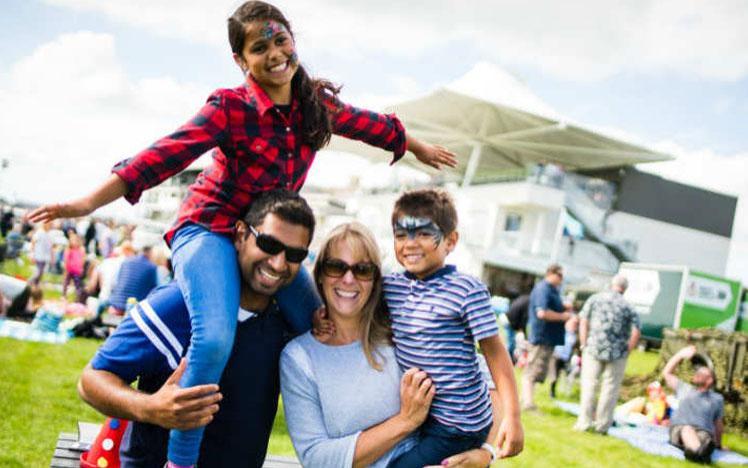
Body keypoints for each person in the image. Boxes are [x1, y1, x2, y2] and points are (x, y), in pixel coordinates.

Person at [27, 2, 456, 466]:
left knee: (321, 318)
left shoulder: (315, 104)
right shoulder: (230, 107)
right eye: (259, 47)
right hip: (209, 229)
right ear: (240, 60)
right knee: (212, 338)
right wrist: (89, 203)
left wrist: (415, 146)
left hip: (265, 230)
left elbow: (368, 124)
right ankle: (181, 460)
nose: (274, 53)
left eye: (280, 40)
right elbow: (163, 155)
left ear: (293, 39)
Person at [78, 190, 321, 467]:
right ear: (241, 235)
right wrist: (151, 408)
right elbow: (91, 381)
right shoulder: (178, 306)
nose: (278, 263)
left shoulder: (285, 322)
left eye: (294, 254)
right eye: (267, 244)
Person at [281, 222, 501, 468]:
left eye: (362, 270)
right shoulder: (300, 358)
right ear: (320, 274)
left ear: (375, 279)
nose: (348, 279)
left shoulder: (402, 331)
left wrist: (486, 453)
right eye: (336, 267)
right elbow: (316, 458)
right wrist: (405, 421)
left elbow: (490, 381)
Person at [382, 189, 523, 467]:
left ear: (451, 240)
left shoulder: (466, 290)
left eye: (423, 233)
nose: (410, 244)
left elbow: (495, 353)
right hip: (422, 413)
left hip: (458, 422)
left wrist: (513, 417)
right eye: (401, 235)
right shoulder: (392, 287)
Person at [575, 275, 641, 433]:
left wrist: (583, 343)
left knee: (589, 385)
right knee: (610, 389)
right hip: (617, 352)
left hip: (593, 348)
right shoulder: (628, 306)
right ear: (625, 288)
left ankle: (584, 422)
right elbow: (637, 330)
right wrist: (628, 350)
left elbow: (583, 320)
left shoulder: (595, 299)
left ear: (612, 284)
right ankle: (602, 425)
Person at [663, 345, 725, 464]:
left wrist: (719, 445)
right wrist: (680, 354)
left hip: (704, 432)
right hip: (680, 429)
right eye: (697, 372)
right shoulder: (684, 388)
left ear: (710, 380)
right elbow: (666, 373)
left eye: (701, 373)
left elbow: (718, 424)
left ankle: (695, 453)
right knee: (687, 430)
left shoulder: (717, 399)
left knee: (706, 440)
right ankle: (700, 453)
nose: (696, 374)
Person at [522, 263, 571, 410]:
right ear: (551, 273)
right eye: (560, 275)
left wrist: (563, 307)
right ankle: (528, 402)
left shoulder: (552, 290)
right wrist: (563, 316)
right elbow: (542, 313)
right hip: (541, 336)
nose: (562, 279)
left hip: (547, 337)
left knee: (537, 371)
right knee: (532, 370)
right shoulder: (543, 288)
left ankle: (526, 399)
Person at [107, 245, 158, 315]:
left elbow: (117, 281)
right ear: (150, 254)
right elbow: (154, 290)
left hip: (115, 305)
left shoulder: (126, 261)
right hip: (135, 308)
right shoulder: (152, 267)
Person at [549, 313, 579, 399]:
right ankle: (552, 391)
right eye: (573, 323)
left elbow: (575, 348)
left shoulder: (574, 336)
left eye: (576, 324)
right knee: (554, 375)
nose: (574, 325)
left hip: (566, 358)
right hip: (557, 355)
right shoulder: (561, 331)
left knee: (567, 374)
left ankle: (566, 393)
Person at [505, 293, 530, 363]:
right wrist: (524, 333)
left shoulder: (526, 298)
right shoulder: (529, 303)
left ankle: (511, 360)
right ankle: (510, 361)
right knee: (511, 343)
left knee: (511, 342)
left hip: (508, 317)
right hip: (510, 320)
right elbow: (524, 319)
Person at [62, 232, 86, 303]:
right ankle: (64, 295)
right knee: (66, 283)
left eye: (76, 240)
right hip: (69, 269)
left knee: (77, 284)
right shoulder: (69, 249)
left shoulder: (81, 249)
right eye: (72, 241)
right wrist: (65, 268)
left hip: (76, 270)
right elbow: (66, 259)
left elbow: (83, 259)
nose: (74, 242)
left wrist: (81, 268)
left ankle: (78, 297)